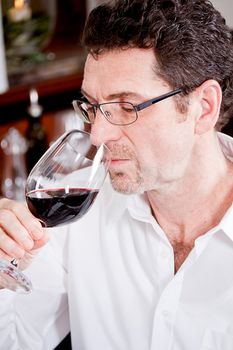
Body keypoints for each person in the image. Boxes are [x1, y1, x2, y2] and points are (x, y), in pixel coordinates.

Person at [1, 0, 233, 348]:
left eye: (126, 107)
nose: (97, 135)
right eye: (93, 107)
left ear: (204, 107)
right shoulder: (74, 214)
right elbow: (15, 340)